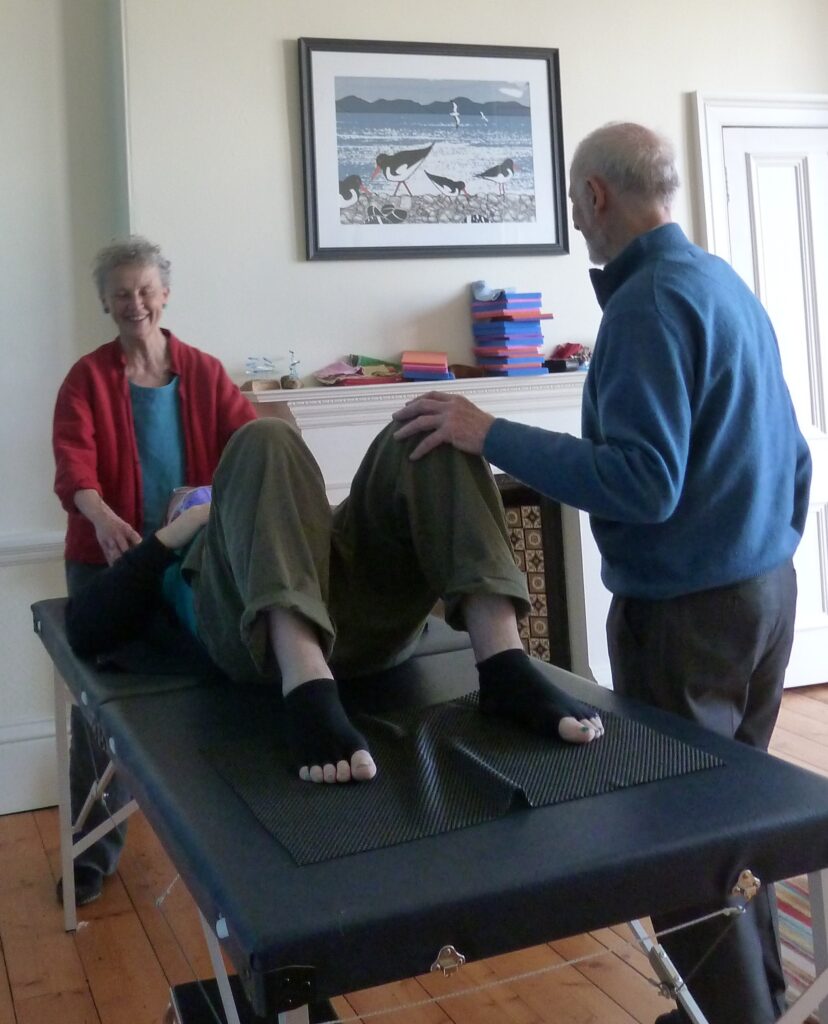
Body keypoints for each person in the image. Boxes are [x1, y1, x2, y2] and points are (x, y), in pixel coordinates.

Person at [392, 122, 812, 1024]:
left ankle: (737, 1018)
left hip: (690, 616)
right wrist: (766, 553)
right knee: (732, 824)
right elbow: (797, 454)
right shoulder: (723, 282)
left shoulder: (648, 306)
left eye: (574, 204)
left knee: (678, 839)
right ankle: (760, 1004)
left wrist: (487, 432)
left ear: (595, 198)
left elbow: (641, 482)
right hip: (767, 594)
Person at [64, 416, 605, 789]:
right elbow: (85, 625)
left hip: (358, 614)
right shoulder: (179, 556)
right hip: (259, 639)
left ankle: (505, 664)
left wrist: (298, 514)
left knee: (423, 429)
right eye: (188, 498)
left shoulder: (291, 505)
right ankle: (306, 683)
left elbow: (302, 509)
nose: (199, 494)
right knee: (264, 437)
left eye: (207, 492)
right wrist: (181, 530)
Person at [52, 236, 256, 906]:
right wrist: (102, 514)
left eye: (144, 290)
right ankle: (93, 855)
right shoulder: (86, 378)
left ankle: (224, 837)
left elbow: (247, 443)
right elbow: (74, 466)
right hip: (106, 565)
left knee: (218, 675)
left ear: (164, 294)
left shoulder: (202, 371)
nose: (133, 303)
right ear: (105, 303)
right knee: (97, 714)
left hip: (188, 559)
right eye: (120, 293)